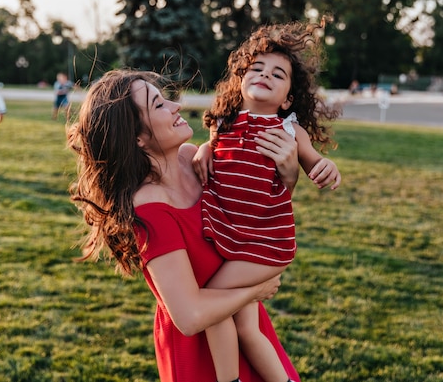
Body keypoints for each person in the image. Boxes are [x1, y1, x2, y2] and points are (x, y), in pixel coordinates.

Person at [66, 69, 301, 382]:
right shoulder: (150, 208)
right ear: (137, 137)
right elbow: (189, 316)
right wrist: (255, 290)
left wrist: (289, 179)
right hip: (201, 357)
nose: (175, 106)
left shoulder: (196, 160)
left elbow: (254, 221)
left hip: (249, 333)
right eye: (159, 105)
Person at [192, 21, 341, 382]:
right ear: (241, 78)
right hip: (229, 240)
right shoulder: (223, 125)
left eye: (278, 74)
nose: (265, 75)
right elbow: (214, 152)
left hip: (264, 246)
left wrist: (327, 168)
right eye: (256, 69)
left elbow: (314, 163)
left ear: (288, 98)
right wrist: (203, 147)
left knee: (211, 303)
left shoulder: (290, 131)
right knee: (246, 328)